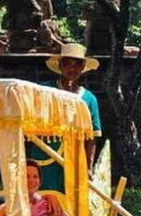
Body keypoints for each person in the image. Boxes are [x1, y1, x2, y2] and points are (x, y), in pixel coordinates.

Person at [28, 42, 102, 192]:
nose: (72, 69)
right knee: (44, 197)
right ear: (61, 66)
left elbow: (92, 137)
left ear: (82, 68)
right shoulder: (44, 91)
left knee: (71, 199)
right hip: (45, 154)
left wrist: (89, 166)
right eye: (68, 64)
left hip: (74, 157)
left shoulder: (89, 98)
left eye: (77, 65)